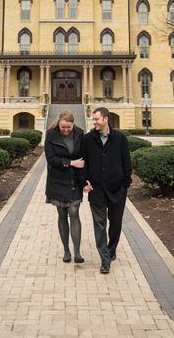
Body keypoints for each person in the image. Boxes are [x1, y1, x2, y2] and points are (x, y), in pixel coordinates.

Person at [79, 107, 132, 274]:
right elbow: (82, 163)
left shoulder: (120, 138)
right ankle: (104, 258)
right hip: (96, 189)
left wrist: (126, 183)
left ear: (106, 119)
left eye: (97, 119)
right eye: (93, 119)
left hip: (117, 189)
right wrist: (84, 181)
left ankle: (112, 248)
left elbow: (126, 162)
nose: (94, 122)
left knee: (115, 223)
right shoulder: (87, 139)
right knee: (99, 225)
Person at [43, 108, 86, 264]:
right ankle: (66, 251)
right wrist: (70, 163)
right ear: (58, 124)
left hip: (74, 180)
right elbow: (50, 158)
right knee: (62, 215)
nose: (66, 130)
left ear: (73, 124)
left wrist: (85, 180)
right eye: (63, 128)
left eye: (69, 128)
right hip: (57, 180)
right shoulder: (51, 134)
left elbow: (84, 157)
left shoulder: (80, 134)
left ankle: (77, 252)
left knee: (74, 212)